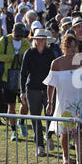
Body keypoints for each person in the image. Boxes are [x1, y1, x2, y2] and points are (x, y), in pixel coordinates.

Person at [44, 34, 82, 164]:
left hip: (79, 102)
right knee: (65, 132)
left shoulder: (81, 62)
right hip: (64, 102)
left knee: (78, 132)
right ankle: (65, 155)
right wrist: (50, 103)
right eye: (68, 46)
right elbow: (51, 85)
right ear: (63, 47)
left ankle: (79, 162)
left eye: (74, 46)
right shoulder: (56, 63)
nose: (71, 49)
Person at [20, 29, 56, 157]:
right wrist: (22, 92)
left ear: (46, 40)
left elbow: (54, 72)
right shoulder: (29, 53)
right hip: (32, 89)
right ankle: (39, 145)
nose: (40, 41)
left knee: (50, 115)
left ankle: (49, 135)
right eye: (38, 38)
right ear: (34, 40)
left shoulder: (50, 53)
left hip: (47, 89)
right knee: (35, 118)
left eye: (43, 38)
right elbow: (23, 73)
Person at [0, 22, 31, 141]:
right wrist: (13, 57)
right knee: (11, 106)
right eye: (17, 36)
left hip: (22, 78)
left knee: (25, 103)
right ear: (12, 31)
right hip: (7, 77)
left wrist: (23, 58)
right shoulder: (4, 40)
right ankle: (14, 131)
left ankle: (21, 122)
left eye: (21, 36)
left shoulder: (26, 43)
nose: (19, 38)